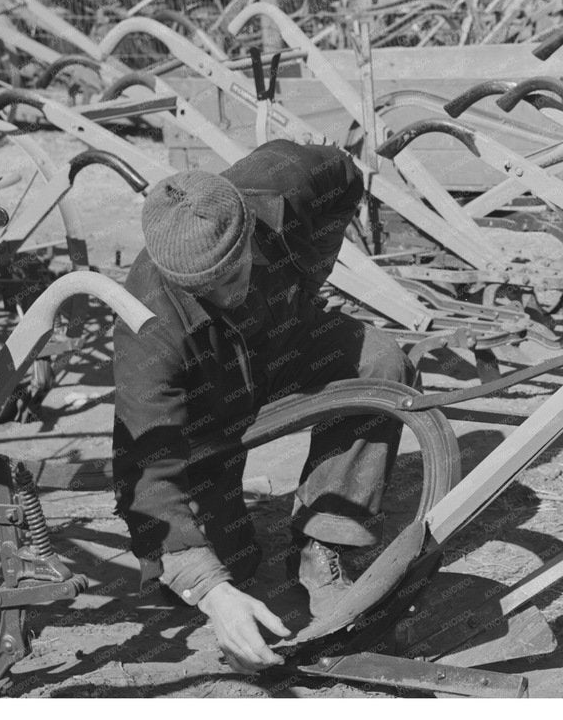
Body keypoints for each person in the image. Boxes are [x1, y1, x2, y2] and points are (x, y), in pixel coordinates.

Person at [112, 140, 413, 674]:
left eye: (234, 272)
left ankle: (325, 540)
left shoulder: (280, 186)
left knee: (380, 362)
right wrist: (210, 590)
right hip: (208, 405)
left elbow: (343, 174)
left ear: (249, 226)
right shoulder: (147, 325)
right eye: (208, 288)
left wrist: (309, 273)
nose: (229, 292)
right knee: (220, 569)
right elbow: (146, 473)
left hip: (283, 341)